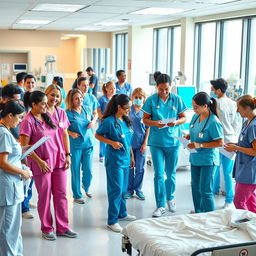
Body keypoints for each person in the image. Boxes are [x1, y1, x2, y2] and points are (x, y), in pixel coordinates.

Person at [19, 90, 77, 241]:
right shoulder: (28, 121)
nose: (47, 106)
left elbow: (61, 134)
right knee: (44, 197)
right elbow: (25, 147)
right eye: (43, 104)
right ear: (33, 105)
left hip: (57, 159)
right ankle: (47, 228)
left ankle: (63, 227)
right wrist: (39, 161)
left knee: (61, 194)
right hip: (41, 164)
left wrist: (66, 154)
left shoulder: (47, 116)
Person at [143, 73, 187, 217]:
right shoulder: (151, 100)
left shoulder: (177, 99)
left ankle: (170, 198)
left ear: (170, 87)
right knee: (158, 174)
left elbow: (184, 118)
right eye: (161, 89)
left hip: (173, 142)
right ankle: (160, 205)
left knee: (171, 174)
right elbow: (145, 120)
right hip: (156, 143)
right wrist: (156, 123)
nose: (164, 92)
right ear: (157, 87)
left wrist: (176, 122)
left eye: (167, 89)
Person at [95, 94, 136, 233]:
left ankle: (122, 213)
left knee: (123, 190)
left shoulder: (125, 120)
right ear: (119, 107)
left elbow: (128, 140)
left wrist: (131, 156)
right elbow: (98, 135)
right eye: (127, 108)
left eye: (130, 108)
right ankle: (112, 220)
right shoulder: (108, 121)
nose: (129, 110)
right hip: (114, 161)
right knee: (116, 190)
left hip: (125, 159)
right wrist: (111, 143)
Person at [0, 100, 32, 256]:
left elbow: (10, 155)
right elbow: (3, 163)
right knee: (8, 229)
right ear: (10, 115)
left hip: (11, 187)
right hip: (7, 188)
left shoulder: (6, 131)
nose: (20, 121)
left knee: (13, 228)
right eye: (19, 118)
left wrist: (22, 148)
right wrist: (22, 172)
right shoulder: (3, 133)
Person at [186, 92, 224, 213]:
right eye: (193, 106)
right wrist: (189, 136)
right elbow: (195, 131)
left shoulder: (213, 121)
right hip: (195, 158)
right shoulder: (195, 116)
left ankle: (210, 218)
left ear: (205, 106)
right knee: (195, 188)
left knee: (205, 190)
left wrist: (200, 144)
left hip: (208, 160)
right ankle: (199, 213)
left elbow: (220, 143)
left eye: (196, 107)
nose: (194, 109)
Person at [210, 78, 241, 208]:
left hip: (219, 141)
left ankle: (216, 192)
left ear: (218, 90)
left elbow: (214, 123)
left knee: (215, 167)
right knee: (228, 172)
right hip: (231, 140)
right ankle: (228, 200)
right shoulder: (233, 103)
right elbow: (236, 123)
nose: (211, 91)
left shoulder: (215, 103)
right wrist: (232, 136)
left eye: (212, 89)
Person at [225, 95, 256, 213]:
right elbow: (245, 143)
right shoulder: (246, 123)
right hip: (243, 168)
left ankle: (245, 225)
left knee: (239, 201)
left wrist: (236, 147)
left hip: (250, 170)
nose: (237, 111)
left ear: (247, 108)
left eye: (239, 108)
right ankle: (253, 224)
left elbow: (255, 151)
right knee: (250, 200)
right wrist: (234, 145)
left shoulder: (253, 126)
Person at [66, 88, 96, 203]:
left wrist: (93, 122)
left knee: (88, 170)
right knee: (75, 170)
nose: (79, 100)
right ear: (71, 100)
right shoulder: (67, 113)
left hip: (88, 143)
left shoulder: (87, 109)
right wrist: (70, 133)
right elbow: (61, 129)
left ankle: (86, 185)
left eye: (81, 98)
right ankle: (77, 195)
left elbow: (95, 115)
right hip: (76, 145)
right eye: (76, 99)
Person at [124, 88, 149, 201]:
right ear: (132, 97)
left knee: (140, 168)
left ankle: (138, 189)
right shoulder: (128, 110)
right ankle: (129, 190)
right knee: (130, 166)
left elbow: (148, 128)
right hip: (129, 143)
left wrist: (145, 143)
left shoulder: (146, 112)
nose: (138, 99)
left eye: (140, 97)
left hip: (141, 143)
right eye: (136, 97)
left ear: (144, 99)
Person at [97, 81, 116, 162]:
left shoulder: (116, 99)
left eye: (114, 88)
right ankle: (102, 154)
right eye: (111, 88)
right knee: (103, 137)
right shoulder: (102, 99)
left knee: (111, 137)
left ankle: (109, 154)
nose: (113, 90)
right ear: (106, 89)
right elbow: (98, 111)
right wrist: (103, 119)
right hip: (104, 121)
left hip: (113, 122)